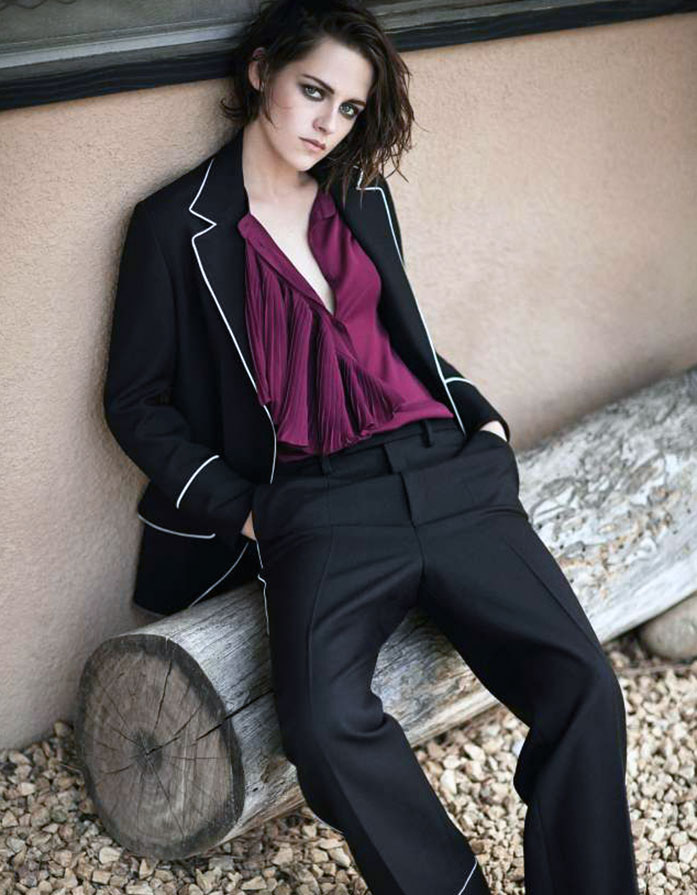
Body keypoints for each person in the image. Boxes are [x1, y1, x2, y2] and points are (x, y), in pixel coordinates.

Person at [103, 1, 641, 893]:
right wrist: (245, 509)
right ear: (260, 72)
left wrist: (483, 424)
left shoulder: (361, 194)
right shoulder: (175, 224)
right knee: (321, 725)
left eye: (348, 107)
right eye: (313, 91)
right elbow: (133, 401)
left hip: (447, 470)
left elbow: (397, 345)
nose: (327, 124)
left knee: (582, 682)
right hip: (316, 503)